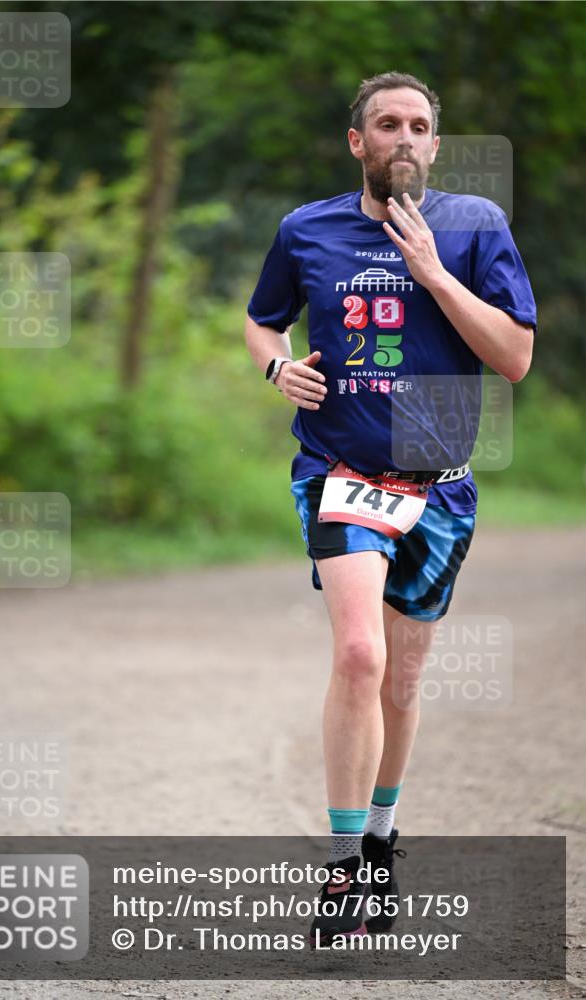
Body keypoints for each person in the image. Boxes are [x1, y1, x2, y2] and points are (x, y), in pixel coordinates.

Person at [245, 71, 536, 946]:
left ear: (434, 146)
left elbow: (515, 357)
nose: (402, 137)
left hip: (439, 485)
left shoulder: (475, 227)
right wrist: (274, 365)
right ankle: (340, 874)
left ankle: (378, 843)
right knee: (361, 656)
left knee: (404, 683)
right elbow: (262, 320)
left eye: (417, 125)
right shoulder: (307, 228)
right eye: (386, 124)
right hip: (339, 469)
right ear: (357, 142)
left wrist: (435, 278)